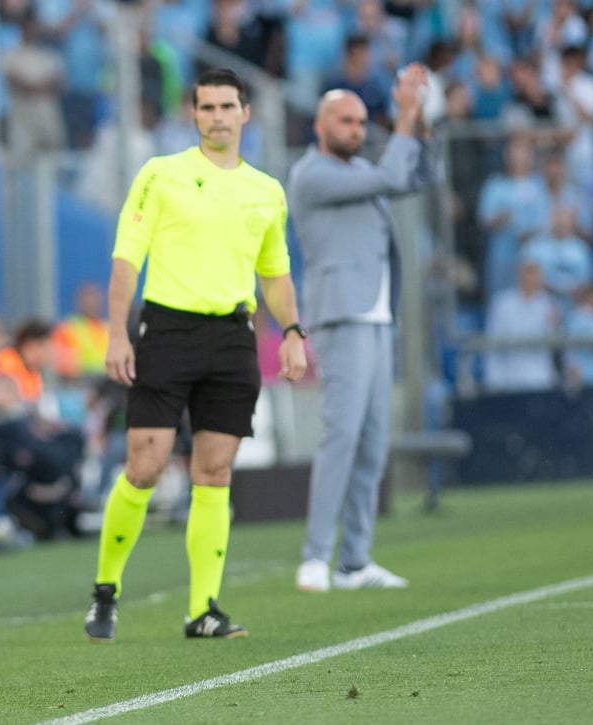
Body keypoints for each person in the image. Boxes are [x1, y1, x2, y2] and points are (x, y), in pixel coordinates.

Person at [83, 68, 307, 643]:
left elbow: (274, 275)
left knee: (215, 472)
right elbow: (125, 261)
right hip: (168, 331)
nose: (216, 117)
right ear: (194, 113)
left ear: (245, 113)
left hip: (233, 337)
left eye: (226, 106)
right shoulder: (162, 175)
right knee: (146, 465)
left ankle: (203, 608)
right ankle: (105, 591)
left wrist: (293, 331)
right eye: (206, 107)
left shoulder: (267, 190)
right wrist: (116, 334)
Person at [288, 64, 437, 594]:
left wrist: (418, 119)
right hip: (342, 314)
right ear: (319, 126)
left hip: (375, 315)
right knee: (342, 434)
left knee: (373, 443)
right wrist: (403, 119)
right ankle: (314, 556)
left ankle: (353, 561)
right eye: (345, 121)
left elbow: (418, 175)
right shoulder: (311, 174)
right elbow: (395, 176)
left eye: (359, 122)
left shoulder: (357, 173)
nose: (355, 129)